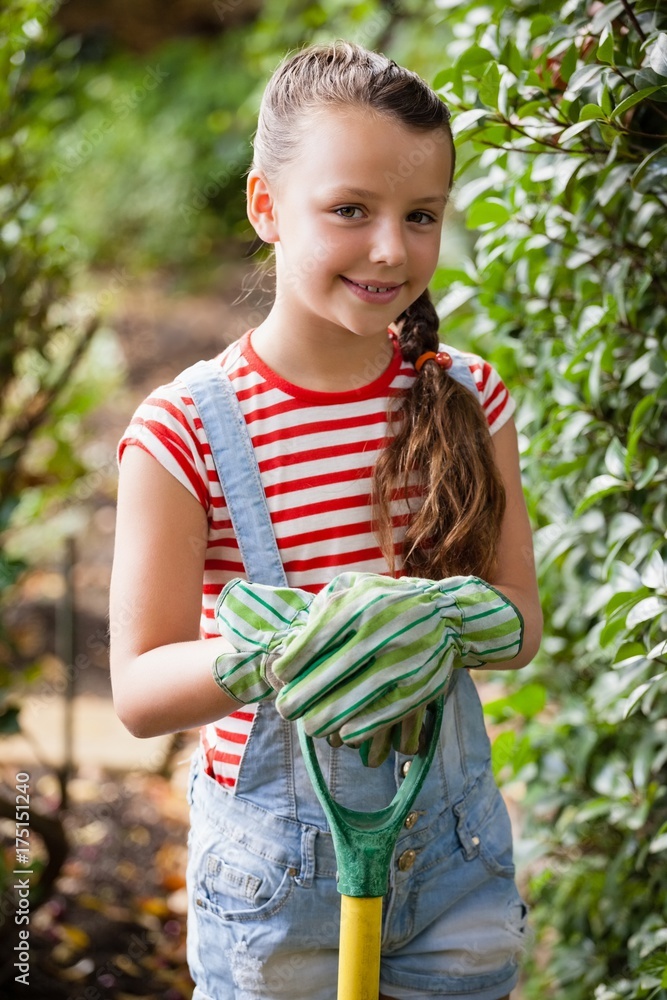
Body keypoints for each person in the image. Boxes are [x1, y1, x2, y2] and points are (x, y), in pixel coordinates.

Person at [110, 39, 543, 1000]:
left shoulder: (468, 396)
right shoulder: (187, 429)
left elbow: (518, 622)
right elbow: (138, 691)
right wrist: (279, 648)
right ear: (265, 206)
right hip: (274, 885)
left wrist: (438, 620)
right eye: (350, 210)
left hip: (453, 857)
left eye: (420, 215)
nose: (392, 249)